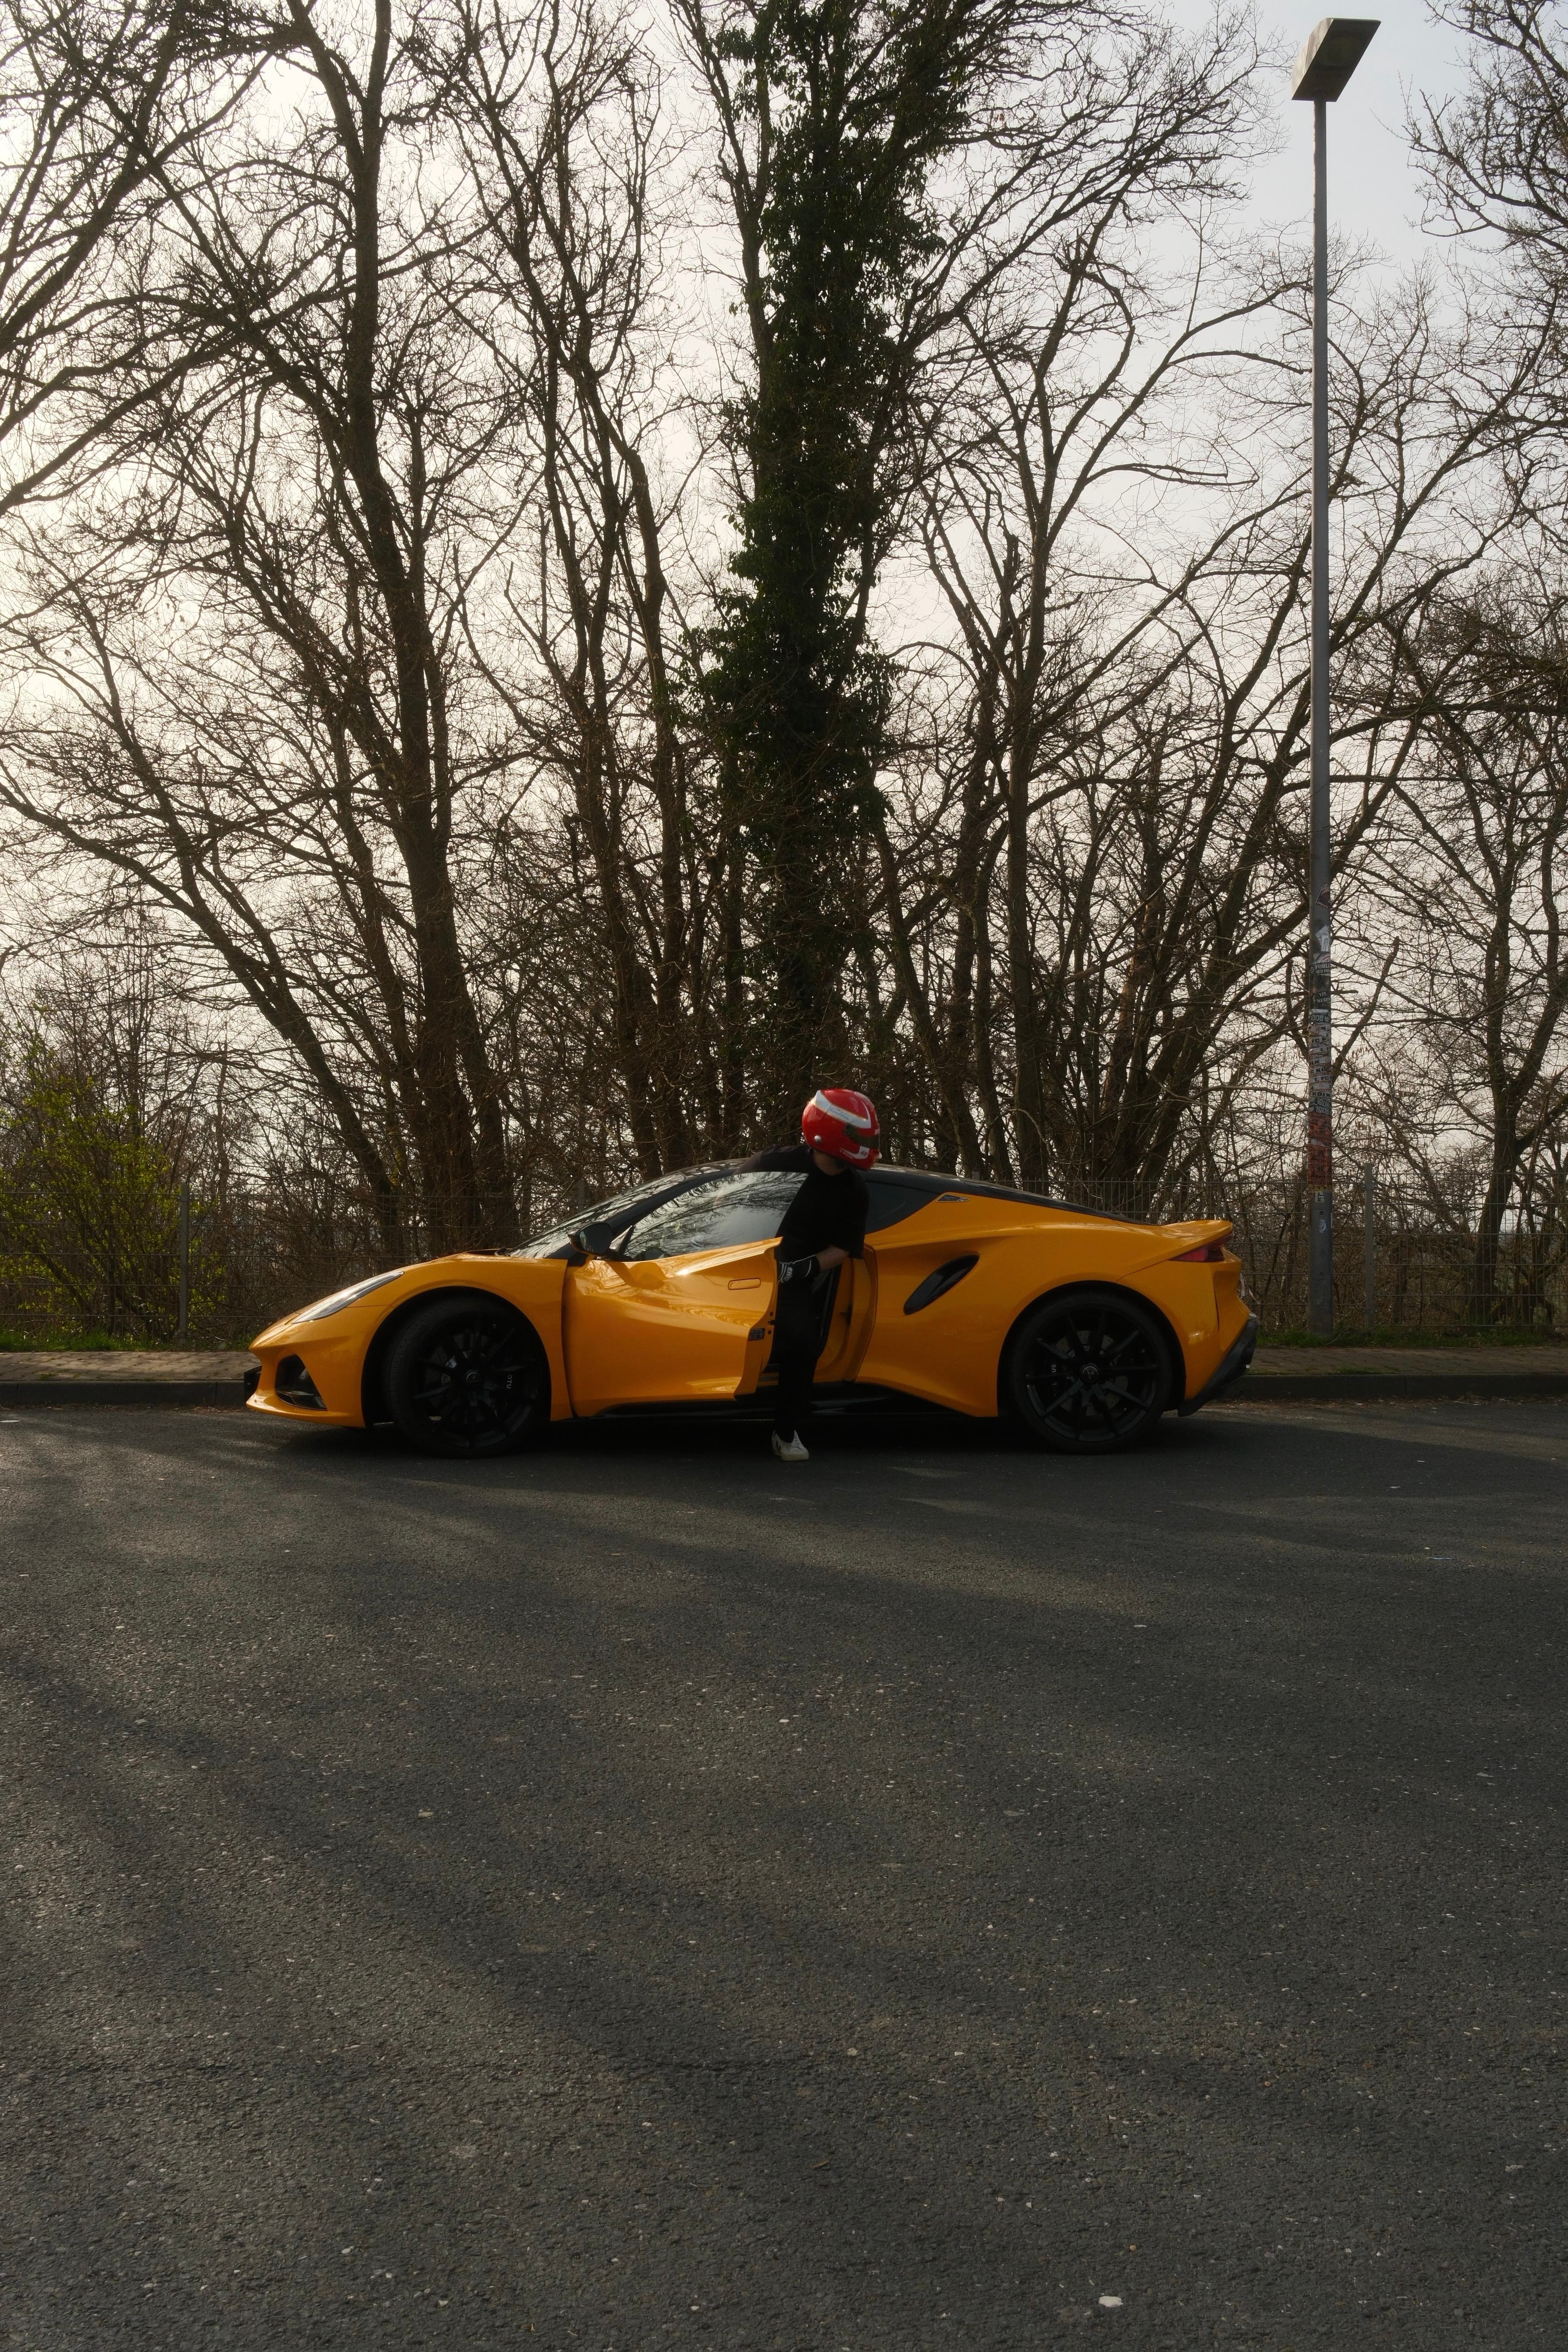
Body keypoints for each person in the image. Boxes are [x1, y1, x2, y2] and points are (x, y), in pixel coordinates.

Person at [740, 1088, 880, 1463]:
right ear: (828, 1131)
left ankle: (786, 1432)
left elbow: (845, 1247)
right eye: (859, 1137)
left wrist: (804, 1268)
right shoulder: (772, 1164)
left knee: (803, 1344)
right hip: (743, 1272)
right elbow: (726, 1205)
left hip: (794, 1278)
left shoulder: (854, 1189)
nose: (868, 1144)